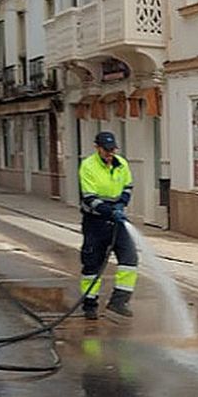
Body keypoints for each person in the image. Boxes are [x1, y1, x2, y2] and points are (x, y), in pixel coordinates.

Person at [77, 131, 137, 320]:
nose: (110, 153)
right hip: (95, 221)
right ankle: (90, 304)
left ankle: (119, 301)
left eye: (112, 150)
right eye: (106, 150)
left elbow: (127, 187)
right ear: (97, 148)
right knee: (92, 264)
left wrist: (121, 204)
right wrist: (110, 211)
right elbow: (89, 197)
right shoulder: (88, 166)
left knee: (130, 259)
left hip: (117, 220)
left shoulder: (121, 163)